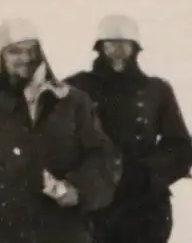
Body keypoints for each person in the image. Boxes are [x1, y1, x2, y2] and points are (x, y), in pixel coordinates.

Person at [0, 18, 122, 243]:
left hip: (60, 232)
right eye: (15, 51)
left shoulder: (72, 102)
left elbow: (103, 156)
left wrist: (78, 189)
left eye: (33, 50)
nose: (26, 58)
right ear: (0, 56)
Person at [65, 14, 192, 243]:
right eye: (110, 43)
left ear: (135, 48)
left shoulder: (156, 90)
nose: (117, 50)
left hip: (145, 204)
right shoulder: (77, 87)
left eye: (124, 44)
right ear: (99, 47)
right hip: (95, 202)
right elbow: (55, 137)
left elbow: (179, 145)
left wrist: (149, 173)